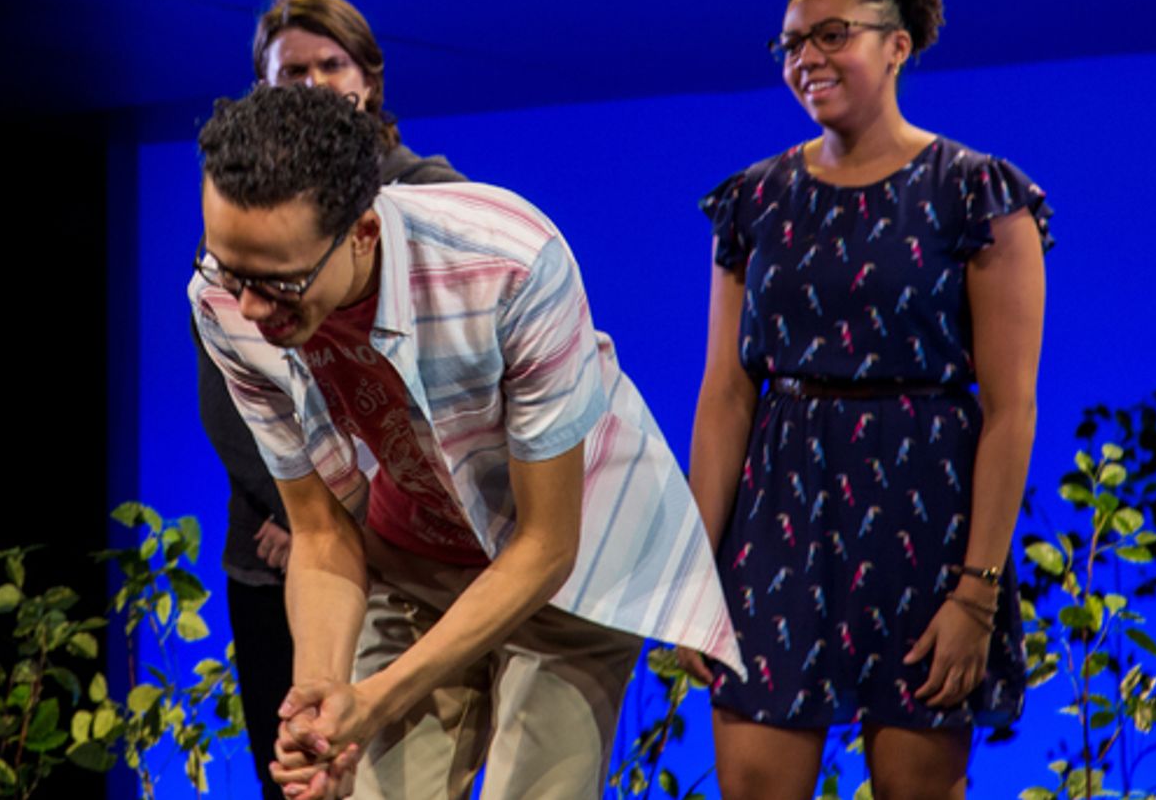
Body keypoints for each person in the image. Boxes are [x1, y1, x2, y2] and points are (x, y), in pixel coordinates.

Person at [191, 85, 742, 800]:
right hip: (410, 556)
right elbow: (321, 531)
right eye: (231, 270)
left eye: (279, 282)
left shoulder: (508, 265)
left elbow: (547, 543)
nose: (251, 308)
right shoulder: (222, 304)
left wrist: (377, 698)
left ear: (361, 231)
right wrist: (322, 704)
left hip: (570, 571)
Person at [685, 0, 1051, 799]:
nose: (805, 56)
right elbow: (727, 392)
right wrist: (692, 576)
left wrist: (977, 592)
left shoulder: (975, 192)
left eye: (831, 35)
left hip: (924, 519)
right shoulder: (753, 200)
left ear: (897, 45)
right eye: (791, 42)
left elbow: (1009, 408)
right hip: (779, 517)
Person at [193, 0, 465, 800]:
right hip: (279, 539)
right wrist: (293, 510)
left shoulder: (431, 200)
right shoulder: (243, 220)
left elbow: (440, 395)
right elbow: (231, 391)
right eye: (289, 73)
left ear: (369, 79)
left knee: (390, 762)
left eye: (329, 65)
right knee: (297, 761)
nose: (310, 85)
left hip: (402, 538)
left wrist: (349, 514)